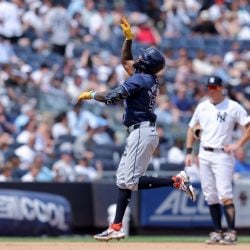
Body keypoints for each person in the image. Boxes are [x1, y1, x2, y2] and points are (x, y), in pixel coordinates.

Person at [77, 16, 196, 242]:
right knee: (124, 180)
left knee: (128, 180)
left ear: (146, 64)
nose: (138, 58)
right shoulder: (147, 79)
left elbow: (112, 97)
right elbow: (125, 61)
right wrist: (128, 39)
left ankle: (176, 181)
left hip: (141, 132)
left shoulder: (140, 80)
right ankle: (116, 226)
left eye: (142, 57)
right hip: (142, 131)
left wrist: (92, 94)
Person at [185, 75, 250, 245]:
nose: (211, 90)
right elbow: (192, 127)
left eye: (214, 87)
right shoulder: (202, 107)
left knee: (225, 194)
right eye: (209, 87)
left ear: (221, 88)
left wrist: (238, 145)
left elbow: (248, 127)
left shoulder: (233, 106)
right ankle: (217, 232)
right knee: (210, 195)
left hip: (223, 154)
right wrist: (188, 152)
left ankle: (232, 232)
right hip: (204, 154)